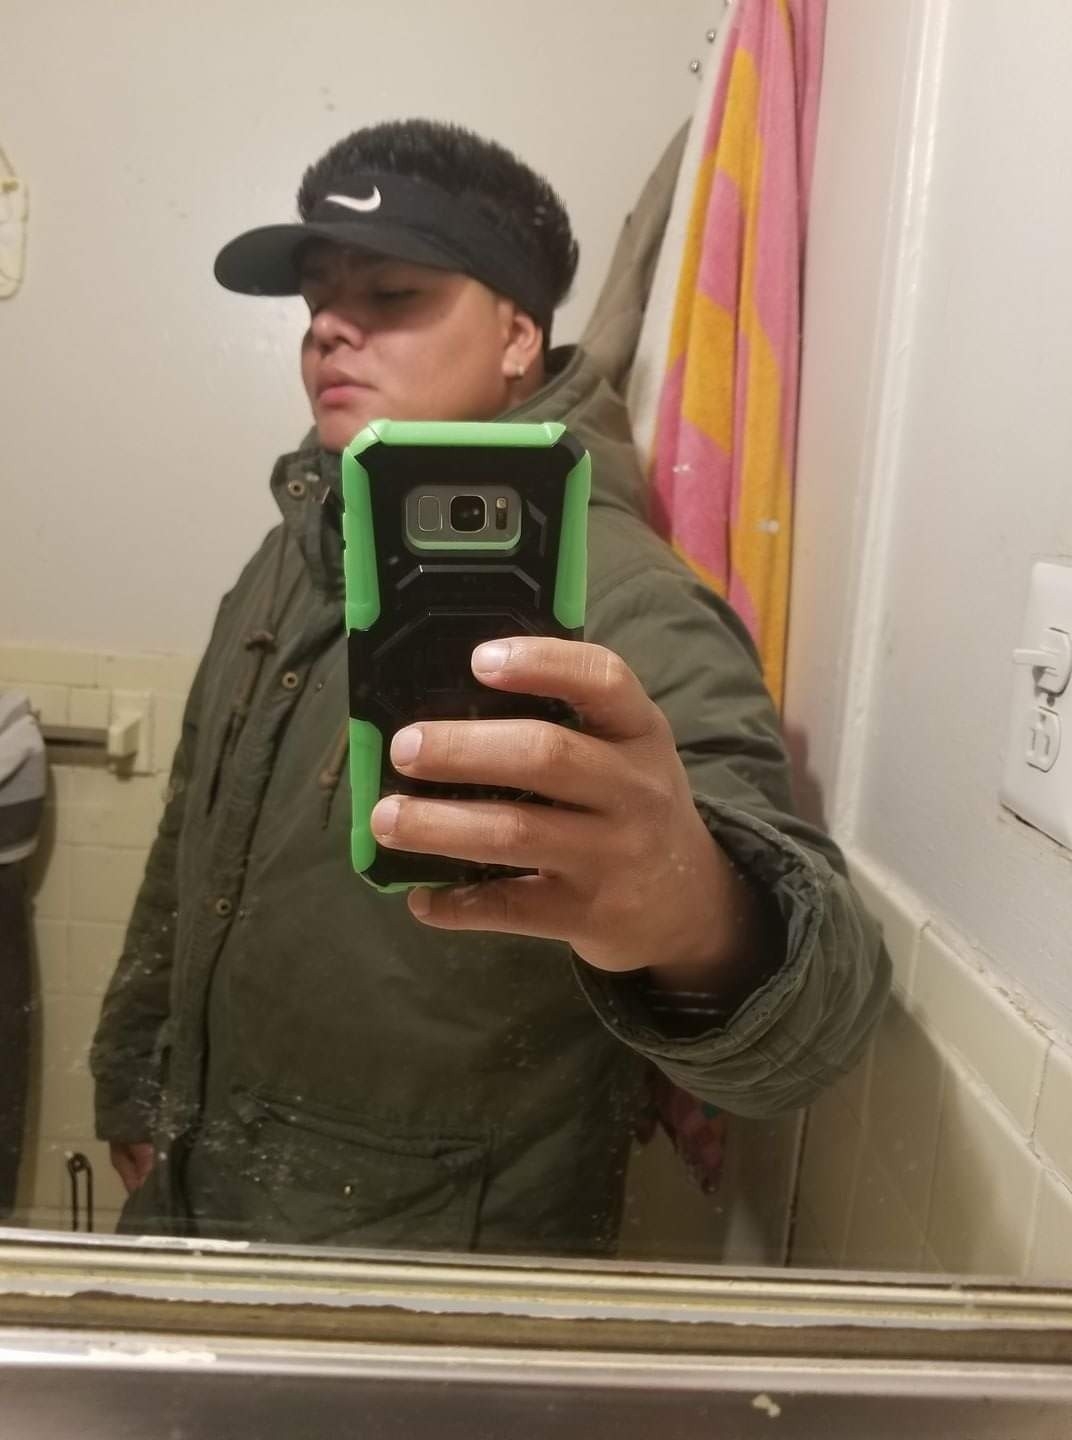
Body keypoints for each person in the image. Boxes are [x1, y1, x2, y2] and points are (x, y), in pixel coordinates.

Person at [90, 118, 889, 1255]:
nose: (329, 328)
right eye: (317, 301)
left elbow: (823, 1022)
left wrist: (697, 912)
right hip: (200, 1208)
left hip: (444, 1288)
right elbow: (191, 826)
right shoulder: (294, 550)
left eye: (391, 293)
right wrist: (138, 1080)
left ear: (518, 335)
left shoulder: (623, 599)